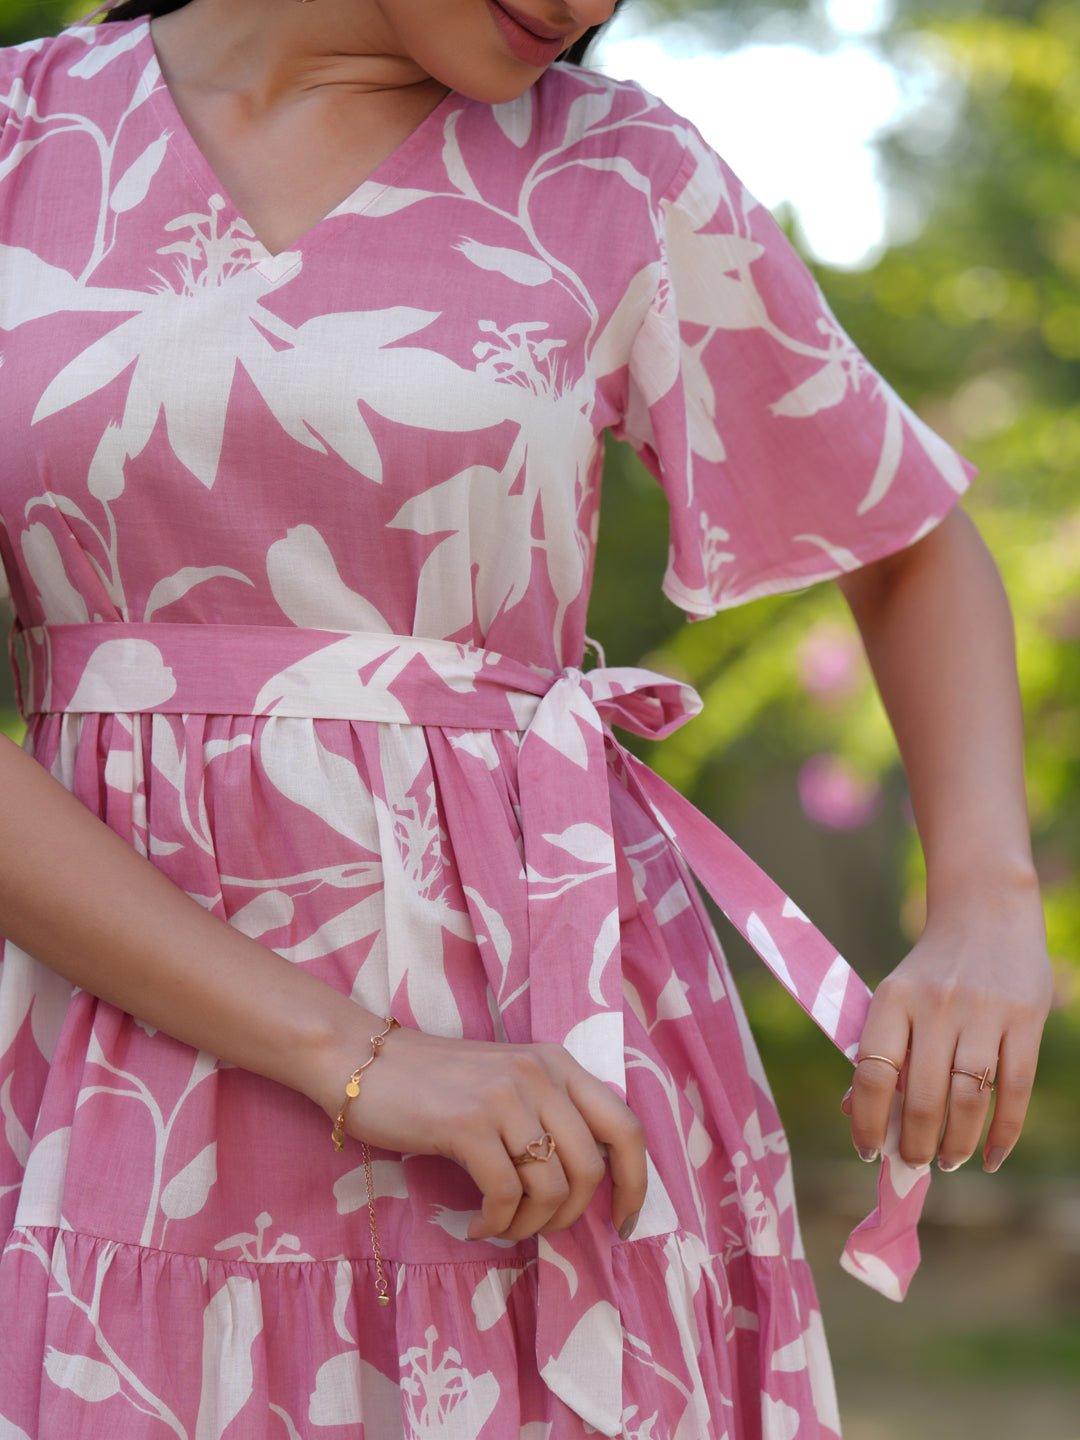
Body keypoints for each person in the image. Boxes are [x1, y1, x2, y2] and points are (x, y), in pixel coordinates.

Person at [0, 1, 1053, 1436]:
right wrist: (354, 1058)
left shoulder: (617, 175)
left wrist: (991, 900)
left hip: (558, 1103)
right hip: (101, 1066)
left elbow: (907, 540)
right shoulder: (21, 137)